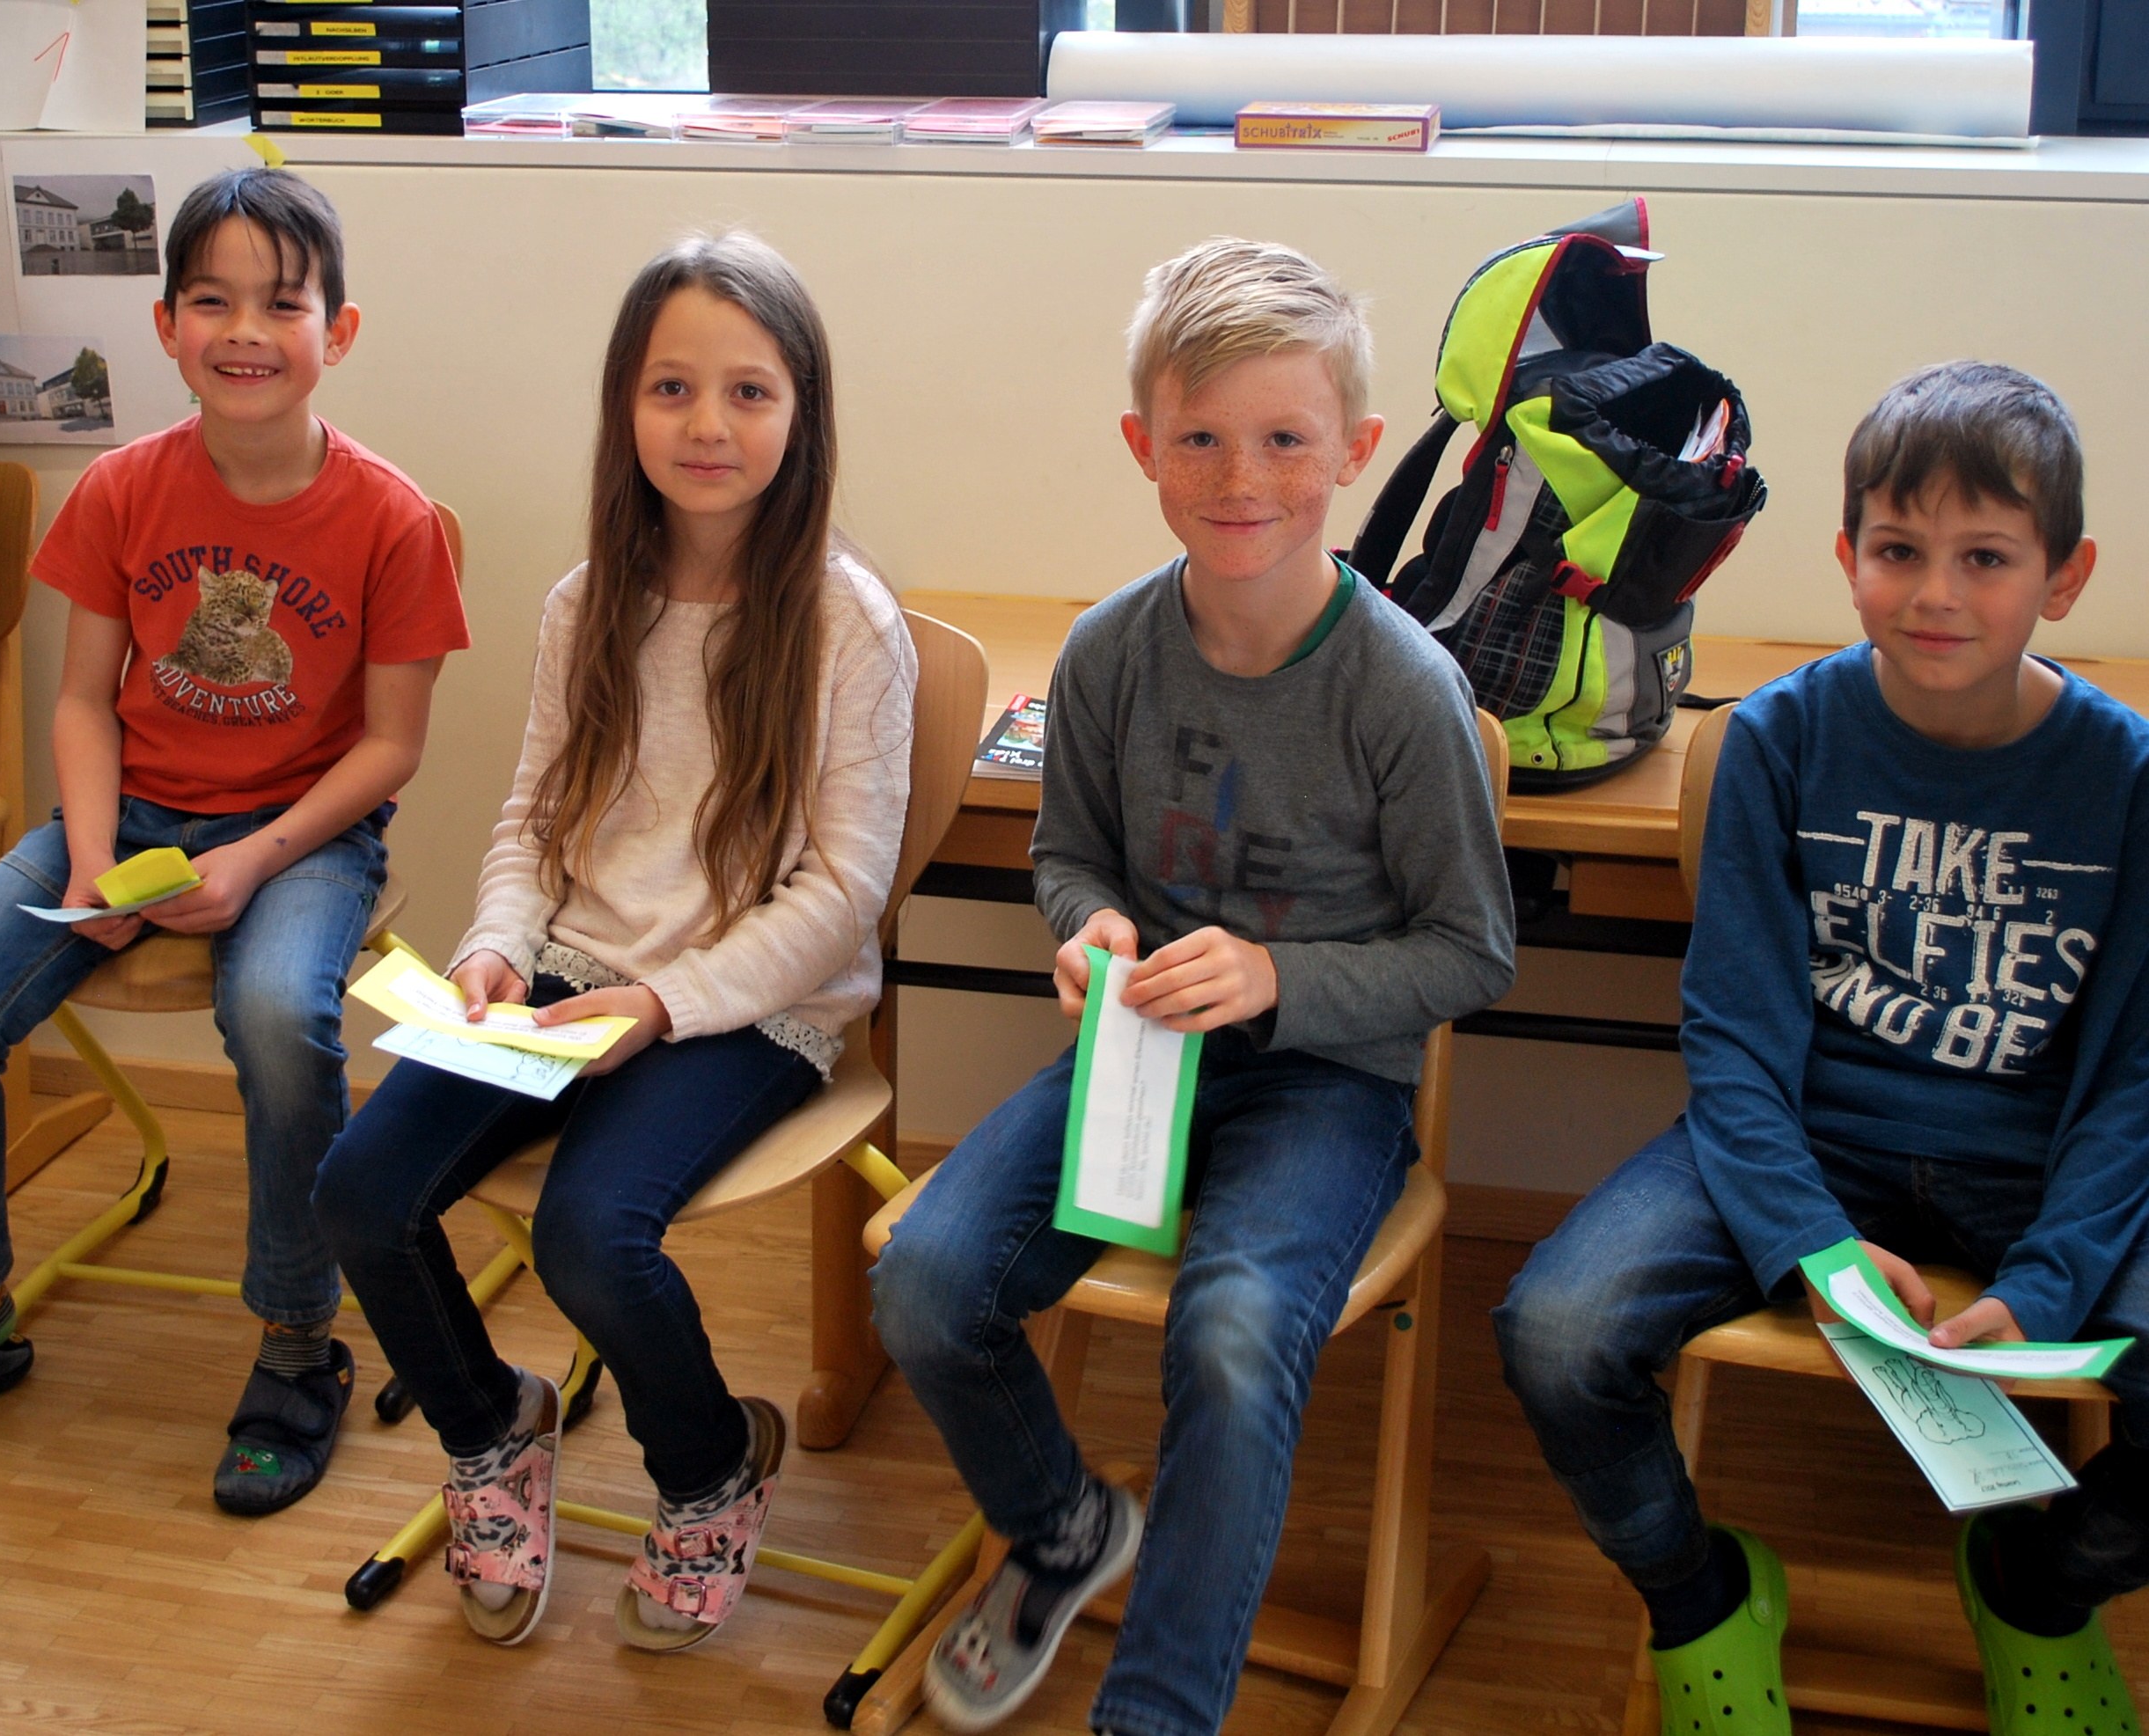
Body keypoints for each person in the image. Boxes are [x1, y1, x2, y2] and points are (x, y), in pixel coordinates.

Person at [869, 238, 1516, 1736]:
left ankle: (1155, 1711)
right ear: (1141, 446)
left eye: (1285, 438)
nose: (1241, 478)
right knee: (924, 1279)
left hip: (1326, 1085)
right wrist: (1089, 925)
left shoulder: (1401, 688)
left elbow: (1470, 952)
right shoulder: (1109, 650)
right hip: (1140, 1058)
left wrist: (1275, 975)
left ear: (1353, 450)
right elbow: (1066, 855)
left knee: (1228, 1335)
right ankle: (1062, 1525)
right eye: (1201, 439)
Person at [1496, 362, 2149, 1735]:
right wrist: (1810, 1243)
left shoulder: (2128, 777)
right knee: (1555, 1332)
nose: (1936, 594)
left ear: (2065, 576)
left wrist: (2051, 1277)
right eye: (1899, 551)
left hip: (2038, 1165)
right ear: (1848, 558)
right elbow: (1735, 1041)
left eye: (1986, 558)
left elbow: (2135, 1078)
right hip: (1803, 1144)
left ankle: (2037, 1587)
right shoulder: (1776, 741)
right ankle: (1703, 1600)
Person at [0, 167, 468, 1520]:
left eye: (282, 304)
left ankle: (298, 1342)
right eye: (212, 302)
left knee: (279, 1020)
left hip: (303, 837)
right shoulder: (121, 490)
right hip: (122, 819)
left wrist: (255, 856)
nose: (247, 331)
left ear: (338, 332)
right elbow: (80, 702)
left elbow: (390, 747)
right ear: (167, 325)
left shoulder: (392, 517)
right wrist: (89, 859)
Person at [312, 231, 915, 1652]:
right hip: (568, 974)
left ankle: (710, 1462)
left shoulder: (849, 621)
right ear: (624, 404)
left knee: (592, 1233)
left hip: (753, 1005)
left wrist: (658, 1005)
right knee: (360, 1191)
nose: (707, 425)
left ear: (802, 411)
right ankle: (490, 1427)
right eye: (671, 387)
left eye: (748, 392)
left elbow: (841, 894)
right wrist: (494, 945)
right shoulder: (584, 601)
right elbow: (534, 819)